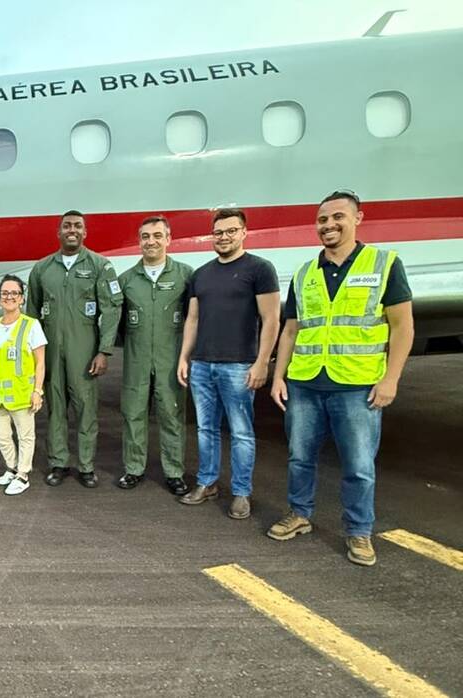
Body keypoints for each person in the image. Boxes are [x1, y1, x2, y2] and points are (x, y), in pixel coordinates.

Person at [268, 191, 413, 567]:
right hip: (305, 382)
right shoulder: (305, 273)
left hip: (357, 385)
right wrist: (278, 376)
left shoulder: (383, 264)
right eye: (322, 220)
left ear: (357, 218)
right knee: (300, 458)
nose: (329, 225)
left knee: (359, 466)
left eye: (337, 217)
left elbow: (402, 326)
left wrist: (391, 379)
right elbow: (291, 330)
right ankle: (299, 514)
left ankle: (359, 531)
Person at [177, 209, 280, 518]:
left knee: (241, 433)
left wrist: (262, 362)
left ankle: (241, 492)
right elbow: (193, 319)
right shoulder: (201, 274)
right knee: (205, 429)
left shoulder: (260, 269)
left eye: (231, 231)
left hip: (239, 366)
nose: (224, 237)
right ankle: (207, 483)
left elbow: (271, 319)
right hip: (202, 365)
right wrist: (184, 357)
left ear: (244, 232)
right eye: (219, 232)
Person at [27, 210, 122, 487]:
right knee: (55, 408)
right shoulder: (42, 268)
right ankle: (58, 463)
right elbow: (31, 314)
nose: (72, 230)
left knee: (85, 409)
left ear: (85, 232)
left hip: (84, 351)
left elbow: (111, 309)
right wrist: (33, 355)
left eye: (78, 226)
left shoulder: (100, 266)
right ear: (58, 232)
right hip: (51, 351)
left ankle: (86, 466)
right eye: (67, 226)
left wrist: (104, 350)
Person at [116, 216, 194, 495]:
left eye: (158, 236)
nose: (151, 242)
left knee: (172, 415)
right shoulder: (126, 280)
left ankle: (174, 472)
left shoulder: (185, 275)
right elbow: (118, 323)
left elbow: (194, 318)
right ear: (139, 241)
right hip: (136, 360)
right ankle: (133, 469)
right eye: (146, 236)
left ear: (168, 239)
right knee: (133, 414)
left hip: (169, 360)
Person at [0, 275, 47, 495]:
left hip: (22, 393)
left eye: (14, 293)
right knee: (2, 437)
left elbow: (40, 362)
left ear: (22, 298)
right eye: (5, 293)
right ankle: (12, 467)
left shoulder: (31, 325)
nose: (9, 297)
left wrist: (37, 391)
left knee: (25, 436)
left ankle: (23, 475)